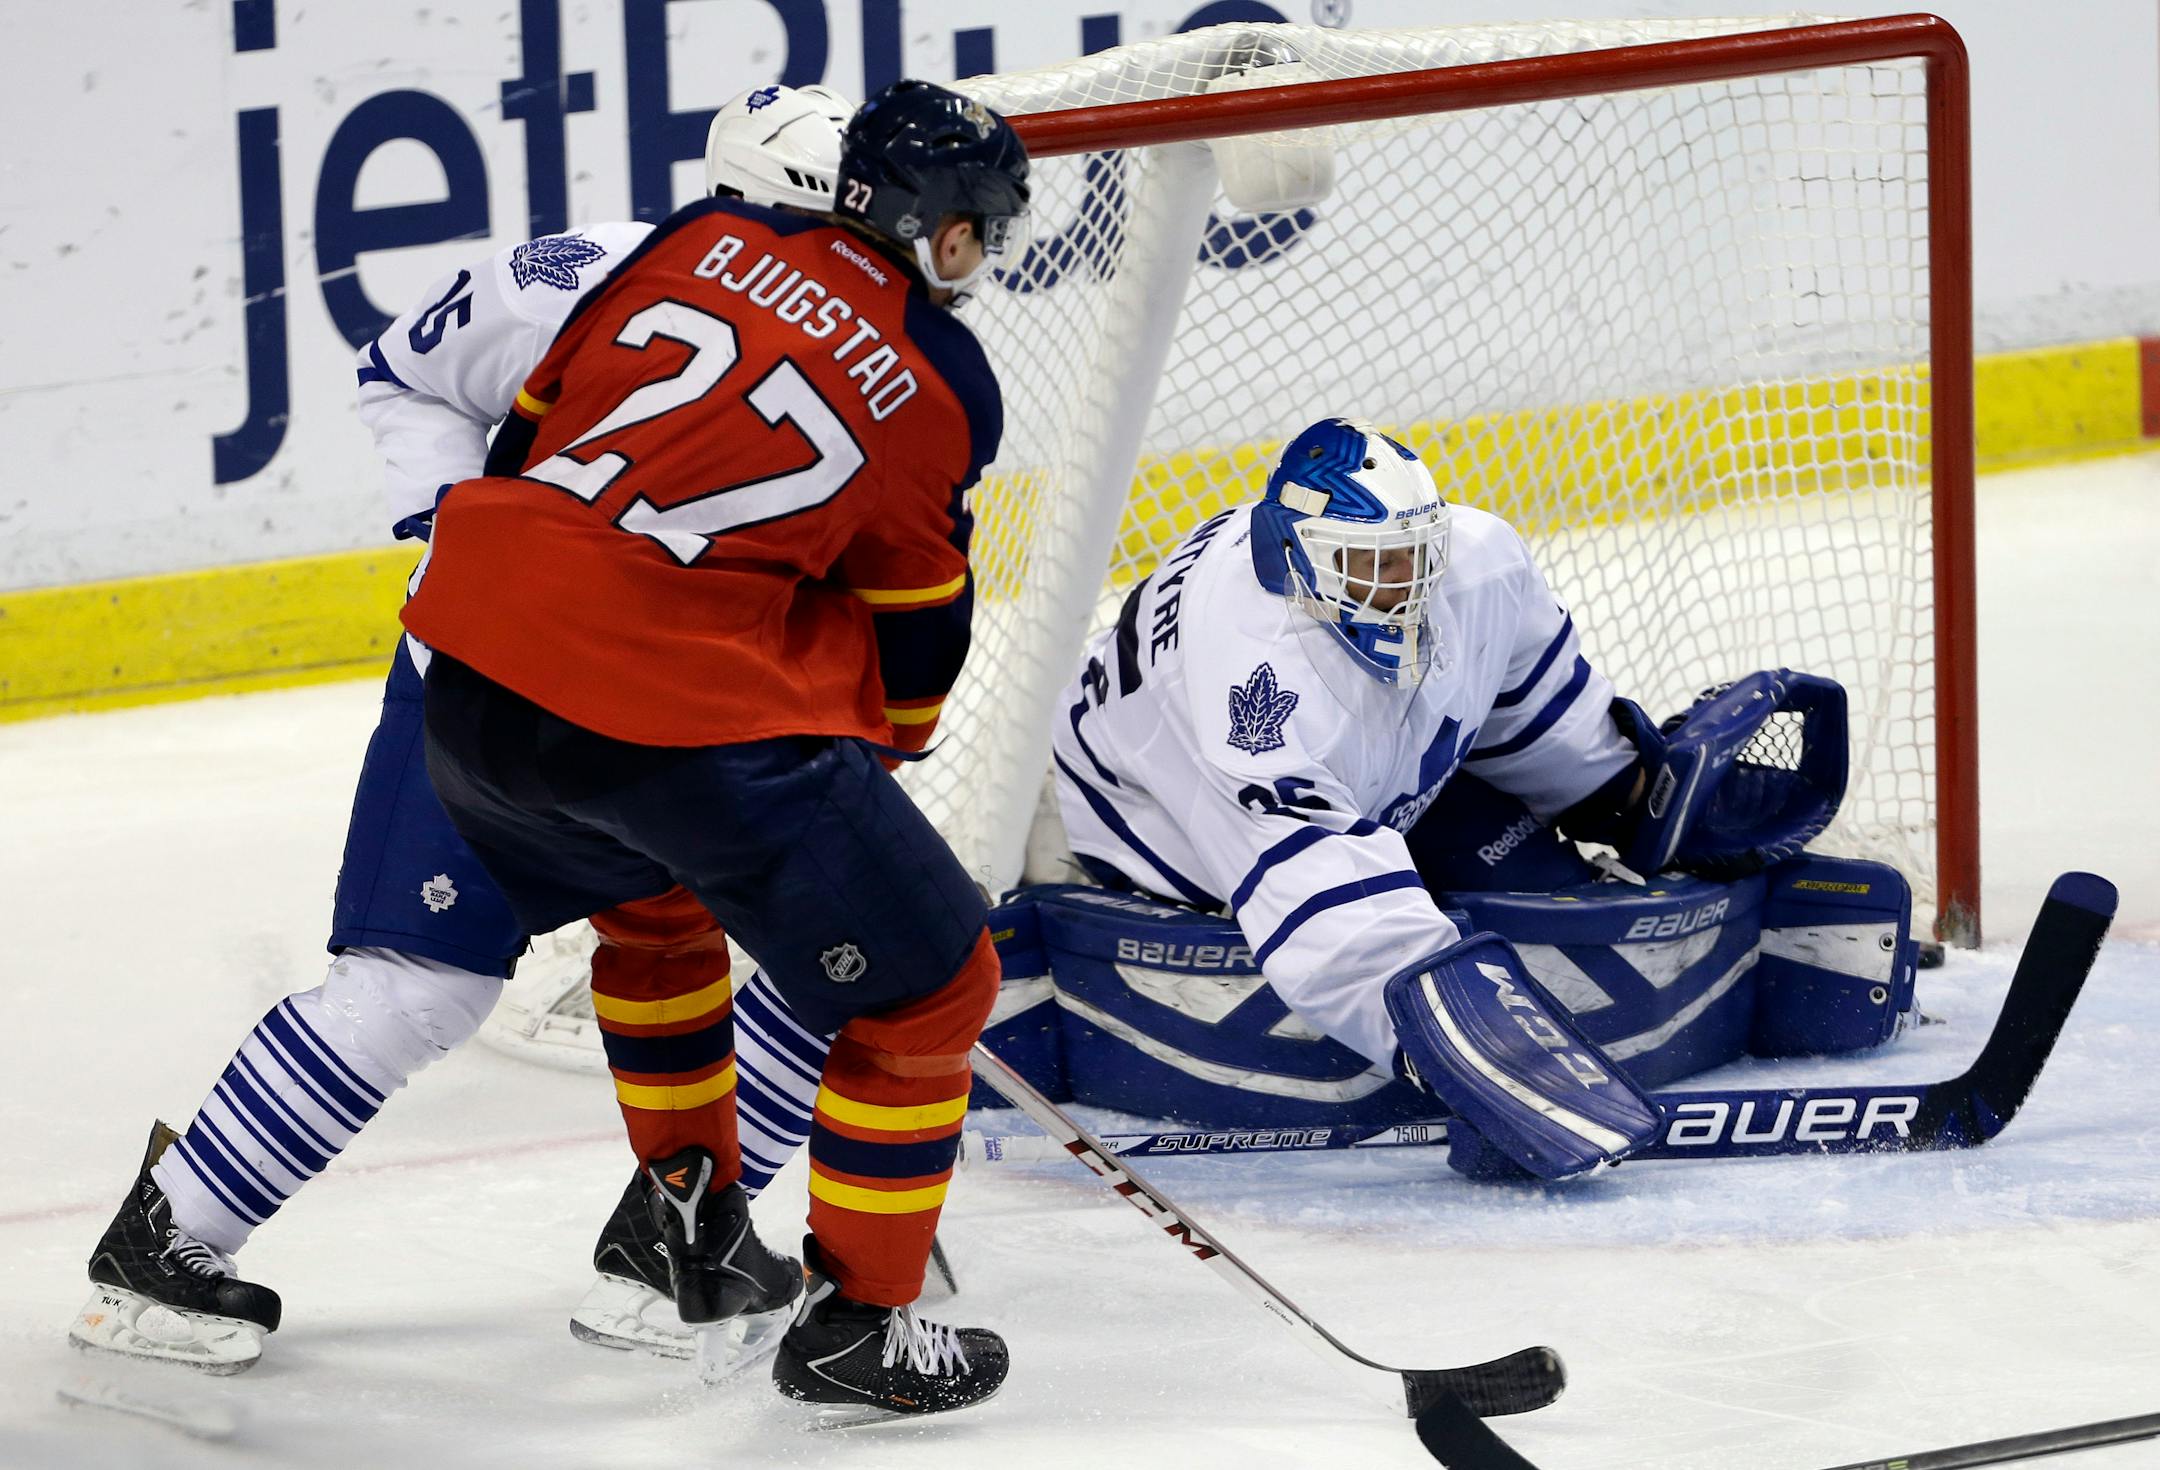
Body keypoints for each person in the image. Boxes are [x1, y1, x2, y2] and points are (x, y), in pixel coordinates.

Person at [68, 84, 871, 1379]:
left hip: (669, 692)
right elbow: (404, 363)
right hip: (505, 676)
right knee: (418, 983)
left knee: (667, 925)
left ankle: (683, 1230)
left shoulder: (867, 343)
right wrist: (470, 552)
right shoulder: (588, 278)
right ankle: (165, 1240)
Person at [400, 78, 1029, 1421]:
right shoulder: (945, 373)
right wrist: (887, 755)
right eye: (980, 230)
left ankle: (685, 1212)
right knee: (932, 990)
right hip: (659, 711)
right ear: (939, 230)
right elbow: (917, 612)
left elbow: (530, 433)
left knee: (654, 912)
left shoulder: (690, 238)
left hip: (467, 675)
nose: (984, 257)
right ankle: (864, 1317)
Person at [1040, 416, 1871, 1182]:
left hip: (1376, 783)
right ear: (1302, 560)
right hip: (1156, 811)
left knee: (1554, 907)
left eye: (1414, 556)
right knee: (1441, 978)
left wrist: (1628, 794)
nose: (1404, 586)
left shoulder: (1478, 561)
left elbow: (1534, 709)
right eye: (1373, 568)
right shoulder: (1256, 684)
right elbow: (1334, 922)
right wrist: (1464, 1058)